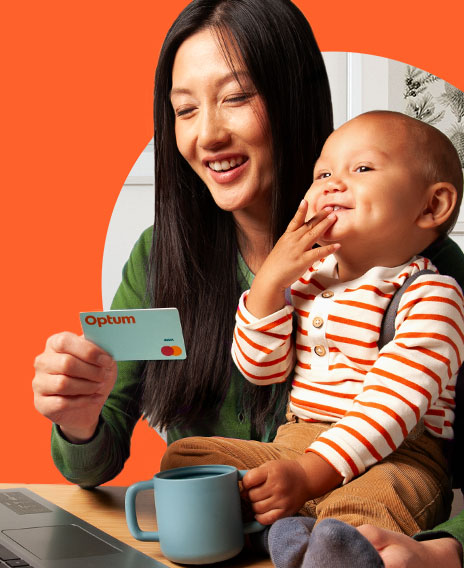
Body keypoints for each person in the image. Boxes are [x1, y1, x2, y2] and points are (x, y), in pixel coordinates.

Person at [26, 1, 464, 566]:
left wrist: (443, 549)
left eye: (235, 97)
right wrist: (79, 420)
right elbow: (93, 464)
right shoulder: (161, 259)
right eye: (184, 110)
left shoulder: (422, 266)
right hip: (223, 543)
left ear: (294, 99)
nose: (207, 134)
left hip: (371, 513)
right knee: (183, 460)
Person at [160, 111, 462, 565]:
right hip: (295, 443)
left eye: (361, 169)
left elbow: (390, 410)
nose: (331, 183)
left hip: (396, 455)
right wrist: (268, 286)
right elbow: (261, 370)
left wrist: (308, 475)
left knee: (361, 514)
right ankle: (297, 528)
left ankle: (309, 535)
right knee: (187, 459)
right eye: (323, 173)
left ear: (431, 206)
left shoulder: (431, 295)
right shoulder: (308, 283)